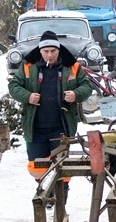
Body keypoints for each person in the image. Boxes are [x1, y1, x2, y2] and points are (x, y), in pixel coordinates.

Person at [8, 30, 93, 199]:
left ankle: (61, 199)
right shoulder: (28, 67)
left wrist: (75, 95)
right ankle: (45, 194)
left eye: (53, 51)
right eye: (46, 51)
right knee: (37, 167)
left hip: (61, 128)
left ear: (58, 50)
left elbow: (87, 87)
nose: (49, 55)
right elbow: (14, 87)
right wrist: (27, 96)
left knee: (62, 166)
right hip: (35, 127)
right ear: (40, 51)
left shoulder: (72, 67)